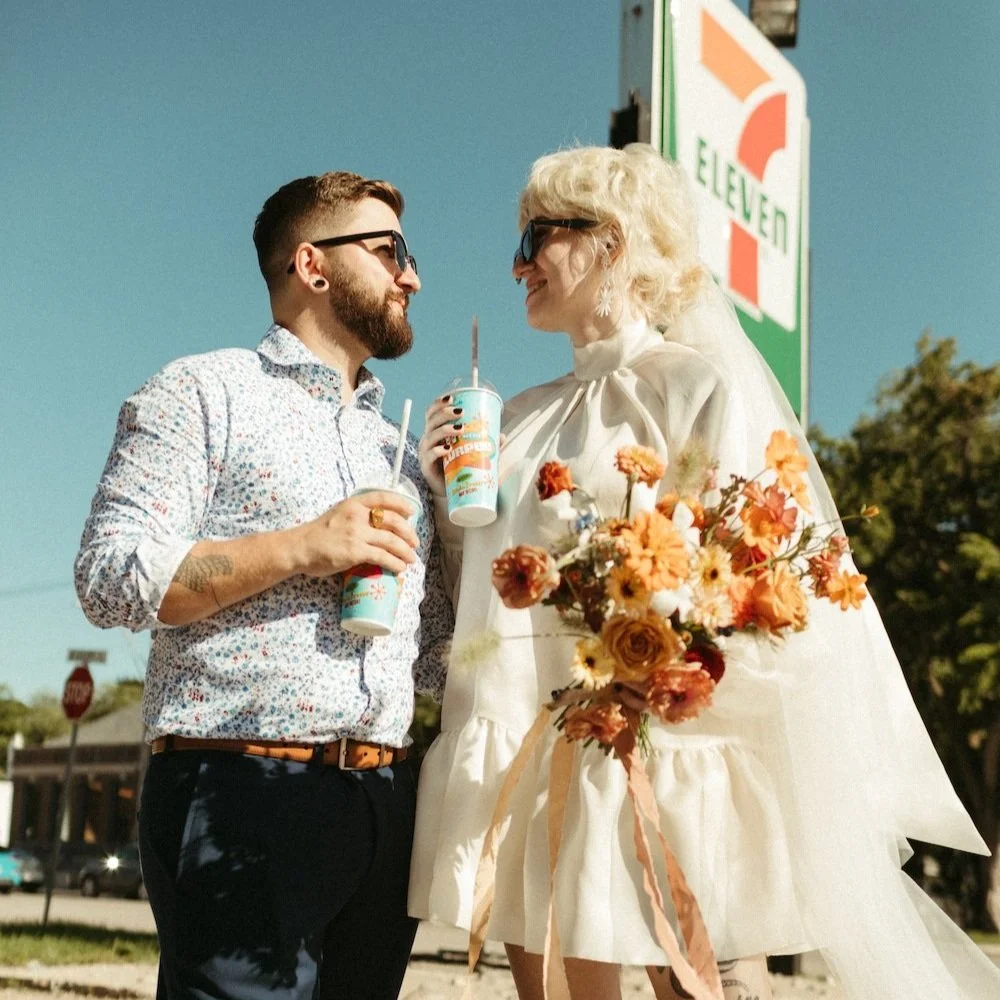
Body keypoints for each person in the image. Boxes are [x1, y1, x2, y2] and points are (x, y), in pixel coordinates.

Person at [408, 144, 1000, 1000]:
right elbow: (486, 605)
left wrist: (658, 661)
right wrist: (446, 499)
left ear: (612, 243)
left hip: (653, 746)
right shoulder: (519, 419)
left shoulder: (696, 390)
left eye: (538, 235)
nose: (517, 263)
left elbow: (739, 576)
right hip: (527, 745)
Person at [75, 170, 454, 1000]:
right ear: (312, 265)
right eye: (390, 251)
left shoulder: (398, 449)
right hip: (239, 782)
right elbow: (108, 578)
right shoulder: (203, 391)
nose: (413, 276)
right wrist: (303, 546)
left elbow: (430, 659)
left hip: (387, 804)